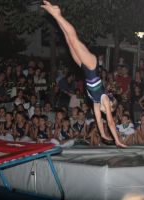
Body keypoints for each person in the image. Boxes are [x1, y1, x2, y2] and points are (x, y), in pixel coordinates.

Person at [41, 1, 126, 147]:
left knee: (68, 41)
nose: (104, 114)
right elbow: (110, 122)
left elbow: (99, 121)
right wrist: (117, 140)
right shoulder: (104, 99)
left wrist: (104, 134)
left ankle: (56, 18)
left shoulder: (96, 102)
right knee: (74, 39)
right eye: (107, 112)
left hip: (84, 68)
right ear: (110, 106)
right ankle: (57, 14)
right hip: (92, 66)